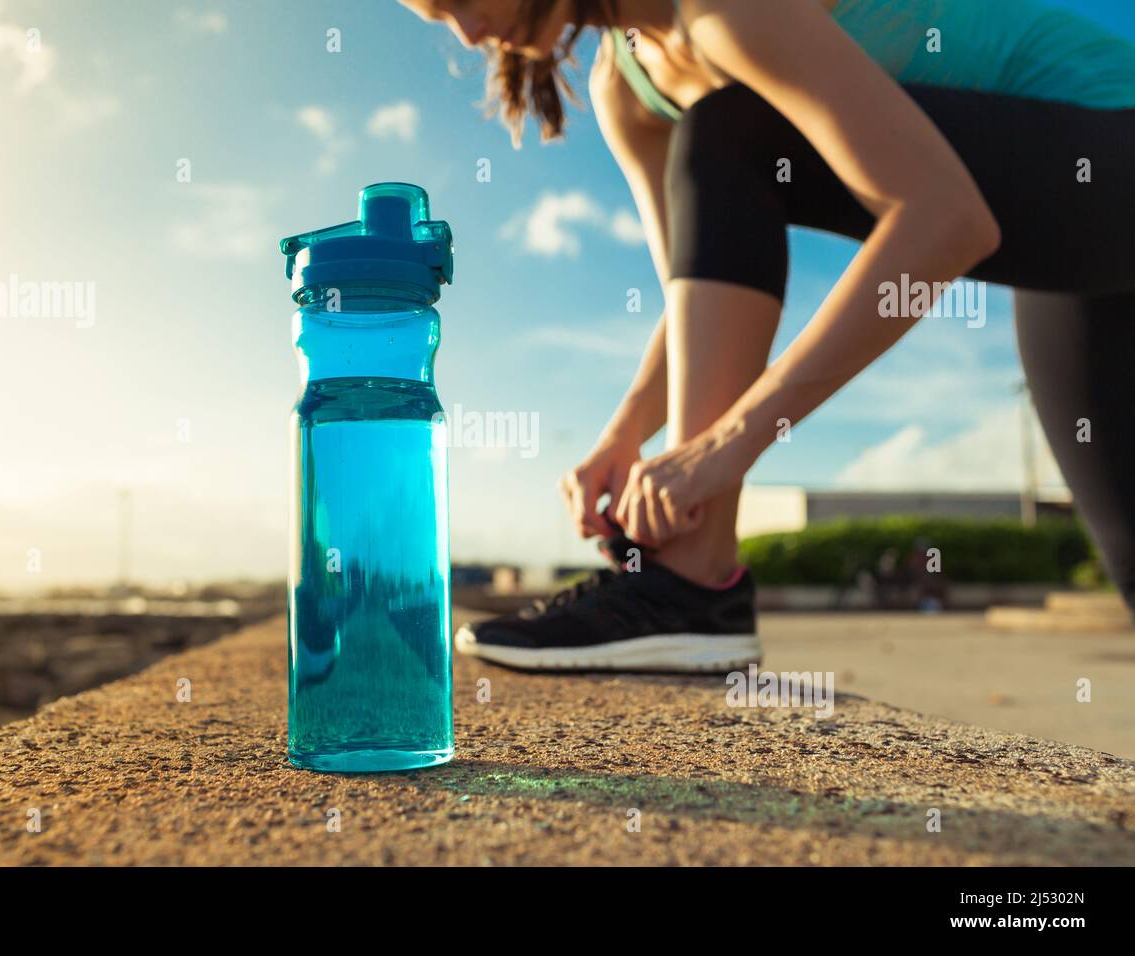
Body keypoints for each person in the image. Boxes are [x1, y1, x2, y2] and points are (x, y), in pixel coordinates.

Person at [399, 0, 1135, 671]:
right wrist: (623, 438)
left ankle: (690, 584)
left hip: (1110, 145)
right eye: (439, 20)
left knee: (723, 128)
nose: (467, 33)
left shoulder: (721, 10)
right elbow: (702, 296)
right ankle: (687, 587)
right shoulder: (624, 88)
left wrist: (723, 446)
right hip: (1076, 255)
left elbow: (944, 220)